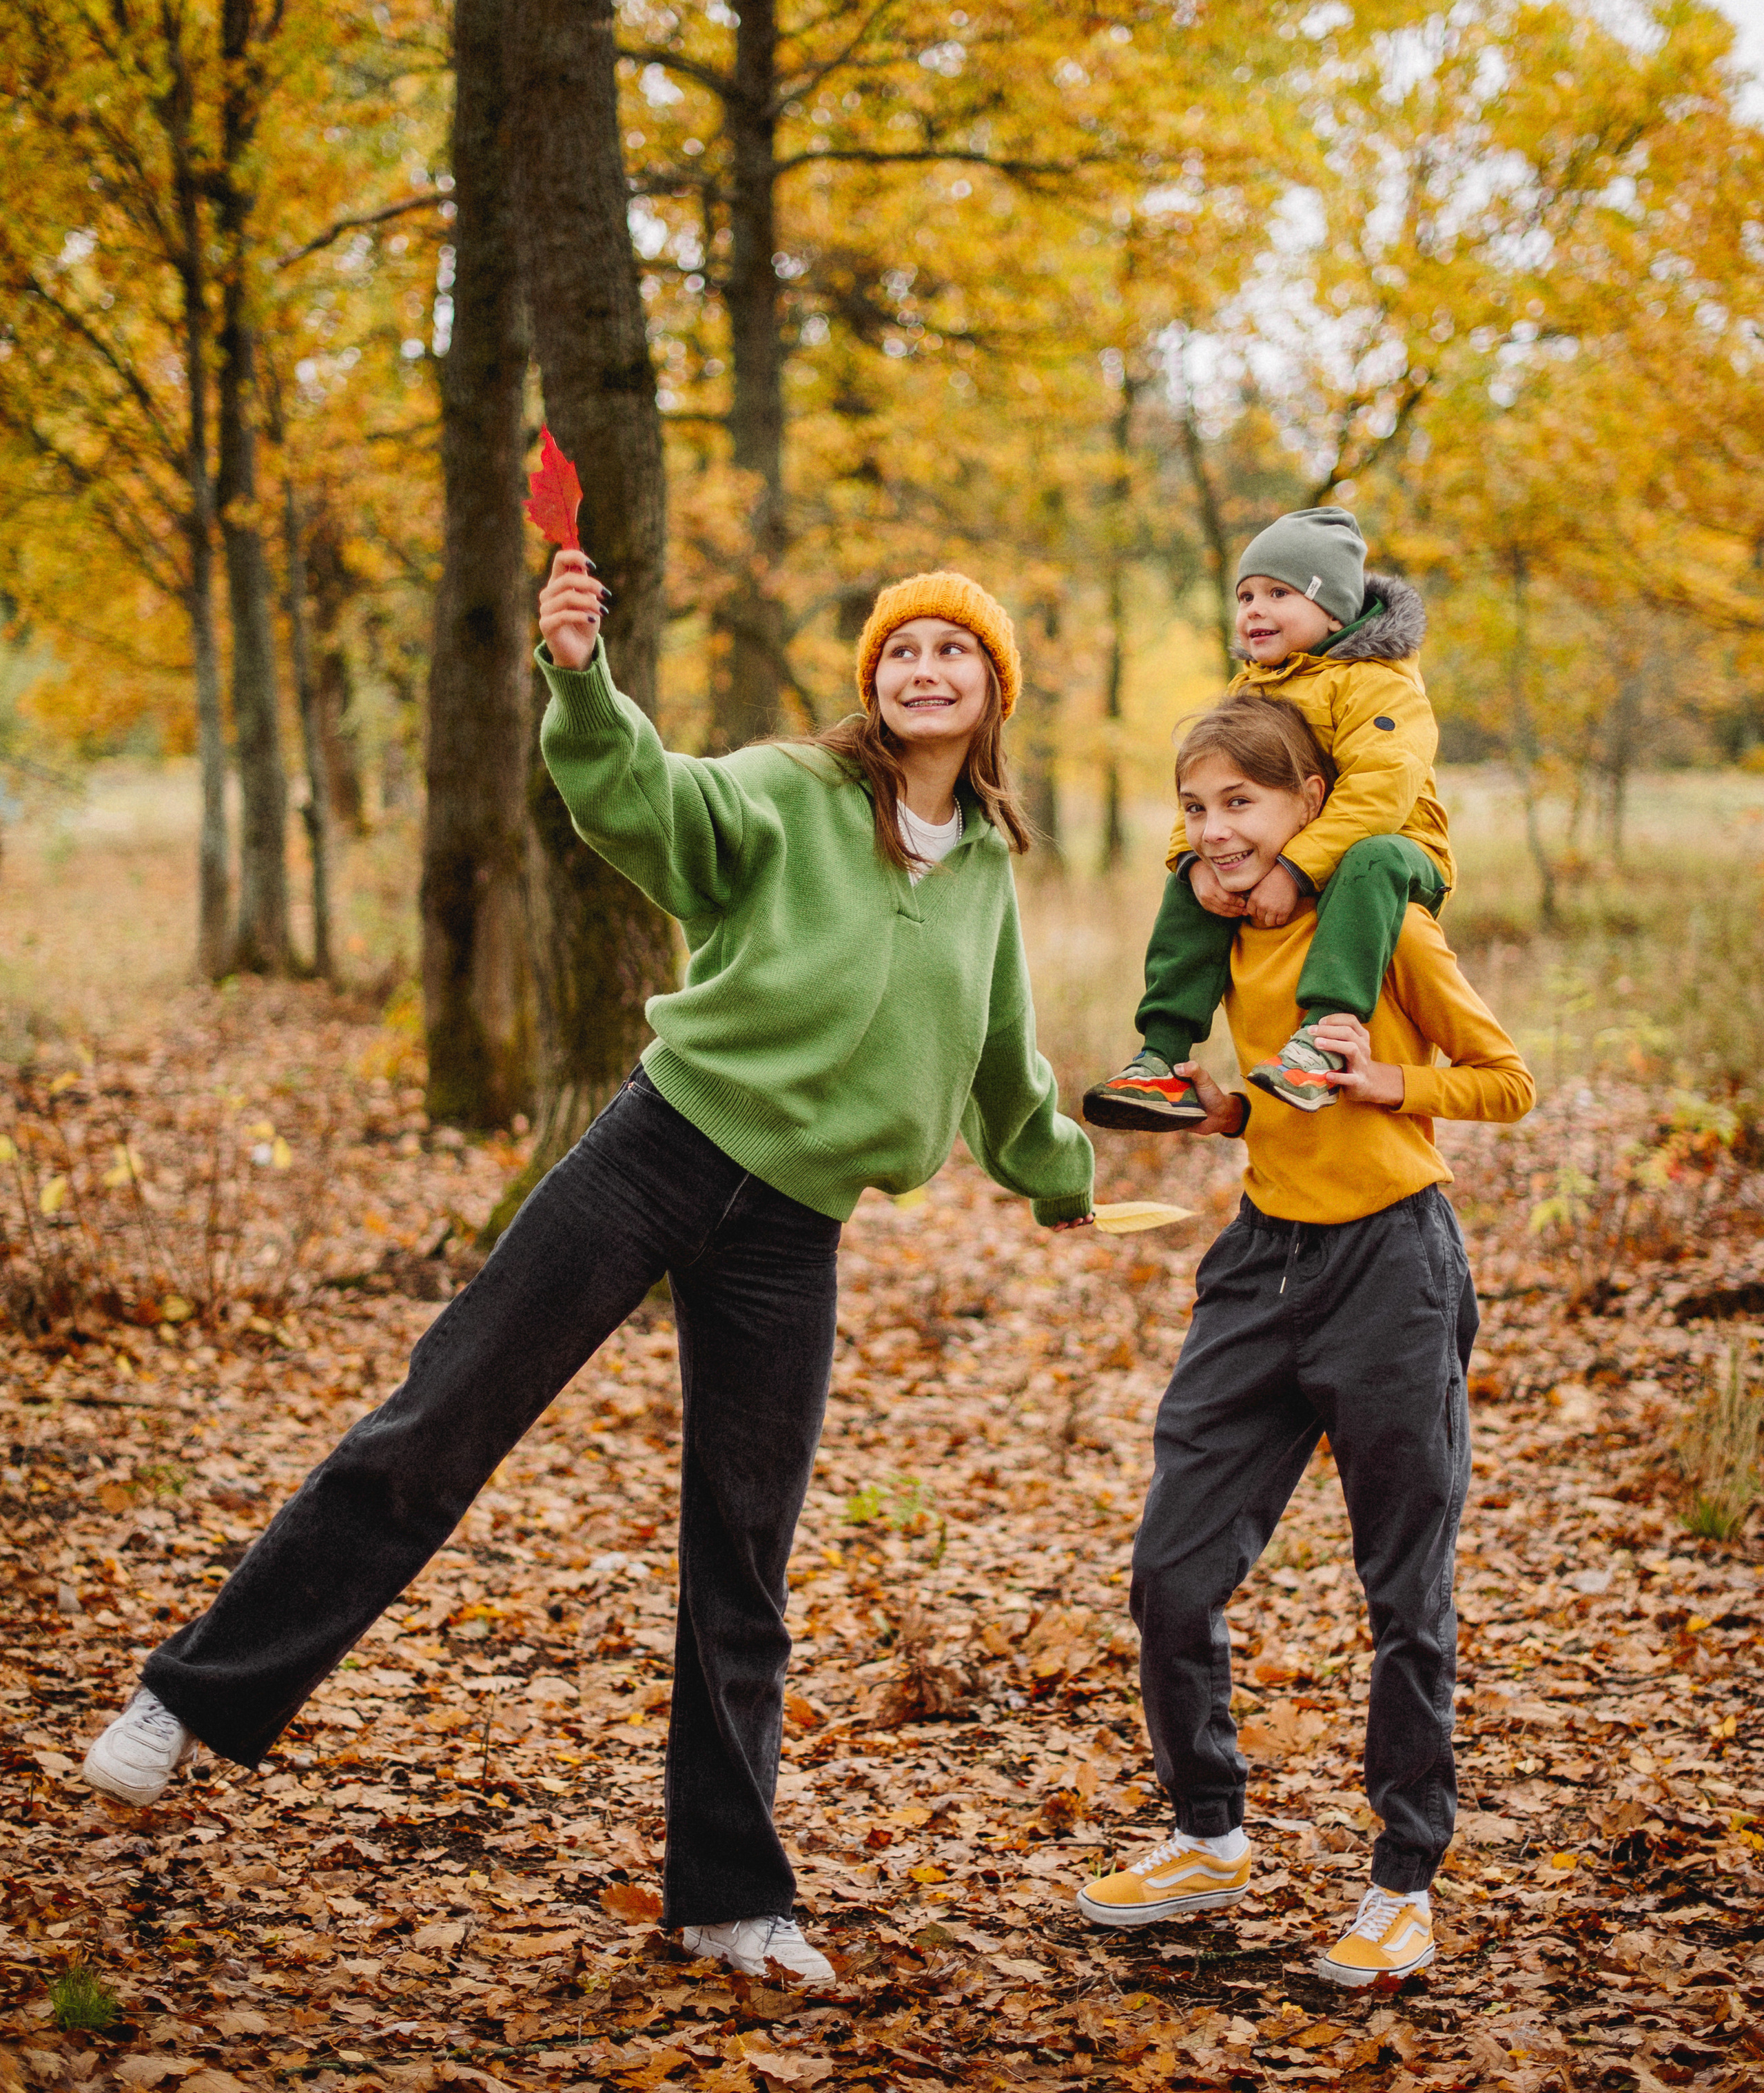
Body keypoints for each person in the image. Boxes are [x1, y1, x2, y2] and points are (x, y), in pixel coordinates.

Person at [81, 560, 1094, 1987]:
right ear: (872, 679)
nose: (924, 670)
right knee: (437, 1425)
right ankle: (185, 1697)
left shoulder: (984, 862)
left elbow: (1000, 1054)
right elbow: (653, 801)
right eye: (901, 649)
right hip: (656, 1151)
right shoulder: (792, 790)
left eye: (954, 653)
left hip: (793, 1229)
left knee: (745, 1550)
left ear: (991, 691)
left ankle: (729, 1896)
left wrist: (1059, 1178)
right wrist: (579, 677)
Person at [1075, 696, 1533, 1988]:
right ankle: (1209, 1831)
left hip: (1395, 1268)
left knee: (1404, 1593)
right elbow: (1278, 1101)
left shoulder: (1387, 923)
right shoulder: (1220, 934)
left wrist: (1395, 1079)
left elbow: (1507, 1077)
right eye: (1198, 807)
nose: (1215, 831)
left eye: (1243, 803)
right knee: (1172, 1570)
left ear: (1310, 806)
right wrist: (1223, 1107)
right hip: (1261, 1266)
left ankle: (1403, 1882)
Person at [1084, 504, 1454, 1129]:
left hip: (1393, 860)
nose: (1253, 609)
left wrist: (1294, 869)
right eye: (1245, 595)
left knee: (1373, 856)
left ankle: (1322, 1040)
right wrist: (1191, 858)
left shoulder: (1380, 685)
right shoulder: (1249, 689)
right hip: (1289, 853)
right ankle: (1161, 1058)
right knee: (1196, 882)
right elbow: (1202, 780)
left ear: (1332, 608)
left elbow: (1379, 794)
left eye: (1277, 593)